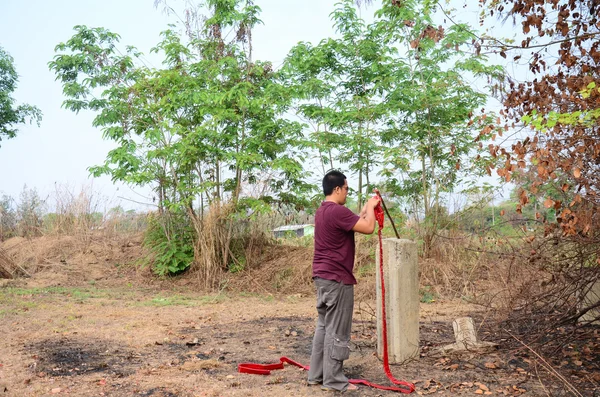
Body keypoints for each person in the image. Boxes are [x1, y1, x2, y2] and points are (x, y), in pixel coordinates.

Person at [307, 170, 380, 392]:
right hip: (337, 278)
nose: (347, 192)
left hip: (322, 277)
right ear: (337, 189)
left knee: (324, 327)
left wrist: (368, 209)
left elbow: (356, 221)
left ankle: (317, 376)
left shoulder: (323, 211)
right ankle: (334, 381)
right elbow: (367, 227)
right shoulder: (337, 211)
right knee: (337, 330)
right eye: (346, 188)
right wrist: (371, 204)